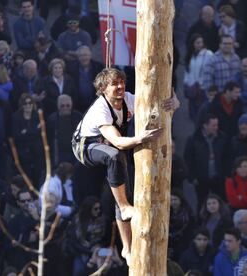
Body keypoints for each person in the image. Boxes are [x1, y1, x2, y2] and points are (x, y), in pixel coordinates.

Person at [74, 68, 179, 263]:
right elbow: (119, 142)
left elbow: (162, 99)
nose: (120, 87)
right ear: (103, 88)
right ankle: (124, 207)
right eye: (115, 84)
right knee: (115, 156)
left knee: (124, 189)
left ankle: (127, 249)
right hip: (85, 146)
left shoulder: (129, 99)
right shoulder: (101, 109)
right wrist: (140, 138)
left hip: (109, 147)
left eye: (122, 82)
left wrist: (174, 101)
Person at [184, 113, 229, 201]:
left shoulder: (222, 138)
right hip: (201, 179)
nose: (216, 128)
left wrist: (226, 174)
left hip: (218, 178)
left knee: (220, 201)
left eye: (217, 125)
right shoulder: (193, 140)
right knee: (202, 202)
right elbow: (188, 159)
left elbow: (227, 157)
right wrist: (192, 177)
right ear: (205, 125)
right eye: (213, 125)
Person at [65, 196, 109, 276]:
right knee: (79, 270)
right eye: (95, 209)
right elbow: (75, 242)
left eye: (99, 208)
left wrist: (98, 249)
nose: (98, 211)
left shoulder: (103, 220)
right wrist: (90, 251)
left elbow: (106, 239)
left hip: (99, 250)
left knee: (109, 259)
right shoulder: (77, 221)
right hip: (82, 251)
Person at [11, 93, 44, 186]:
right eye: (25, 103)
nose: (28, 105)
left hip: (37, 154)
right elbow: (17, 136)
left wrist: (26, 132)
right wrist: (33, 130)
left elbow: (40, 134)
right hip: (22, 155)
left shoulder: (38, 116)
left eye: (30, 103)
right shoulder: (16, 117)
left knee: (37, 178)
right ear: (21, 105)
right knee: (26, 179)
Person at [5, 189, 39, 270]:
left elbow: (46, 234)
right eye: (23, 201)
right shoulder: (13, 222)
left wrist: (36, 217)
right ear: (18, 203)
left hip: (38, 261)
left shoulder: (39, 217)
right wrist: (27, 237)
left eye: (29, 200)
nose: (26, 203)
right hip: (21, 264)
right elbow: (10, 244)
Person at [183, 34, 213, 121]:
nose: (200, 45)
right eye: (197, 43)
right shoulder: (190, 56)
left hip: (203, 89)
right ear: (193, 44)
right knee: (193, 114)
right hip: (192, 90)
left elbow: (210, 71)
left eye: (201, 42)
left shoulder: (208, 54)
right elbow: (187, 72)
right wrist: (187, 84)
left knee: (202, 115)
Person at [46, 94, 82, 166]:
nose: (65, 107)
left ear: (71, 105)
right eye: (62, 105)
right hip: (59, 154)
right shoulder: (52, 119)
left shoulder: (78, 117)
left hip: (74, 152)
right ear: (58, 106)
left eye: (68, 105)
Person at [67, 45, 104, 113]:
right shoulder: (71, 69)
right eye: (81, 56)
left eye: (86, 55)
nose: (84, 58)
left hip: (96, 104)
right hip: (78, 106)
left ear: (90, 55)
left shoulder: (99, 67)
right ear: (78, 57)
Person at [168, 189, 196, 262]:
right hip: (170, 243)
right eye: (171, 200)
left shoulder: (187, 212)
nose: (173, 202)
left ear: (180, 200)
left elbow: (189, 229)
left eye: (175, 199)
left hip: (184, 242)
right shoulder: (167, 212)